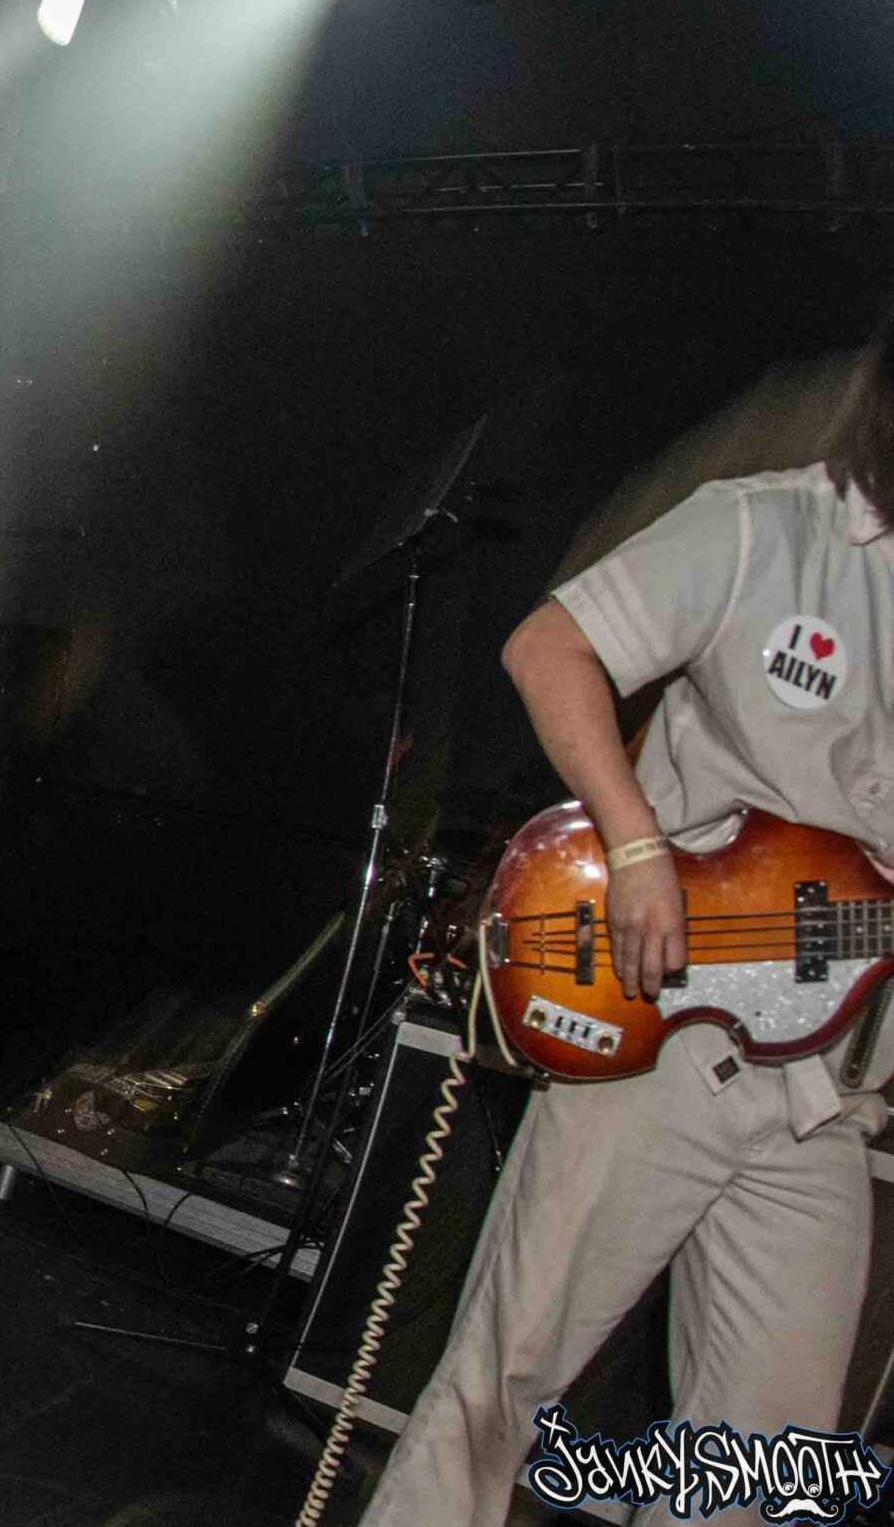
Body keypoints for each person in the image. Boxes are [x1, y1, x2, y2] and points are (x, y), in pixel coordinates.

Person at [358, 350, 894, 1524]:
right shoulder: (766, 526)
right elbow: (546, 649)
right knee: (505, 1378)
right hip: (666, 1029)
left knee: (766, 1462)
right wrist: (638, 845)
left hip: (830, 1094)